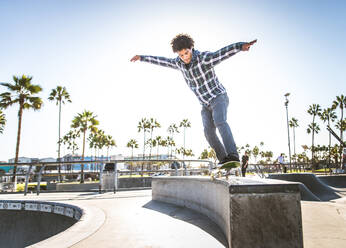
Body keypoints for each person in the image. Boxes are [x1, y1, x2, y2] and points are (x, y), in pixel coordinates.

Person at [131, 34, 257, 167]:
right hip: (205, 105)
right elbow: (162, 61)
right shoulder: (178, 63)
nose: (185, 57)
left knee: (220, 122)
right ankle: (224, 159)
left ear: (191, 48)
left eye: (186, 53)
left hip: (219, 97)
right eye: (181, 55)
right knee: (208, 132)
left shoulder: (204, 58)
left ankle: (233, 155)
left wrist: (240, 46)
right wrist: (142, 58)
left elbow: (221, 54)